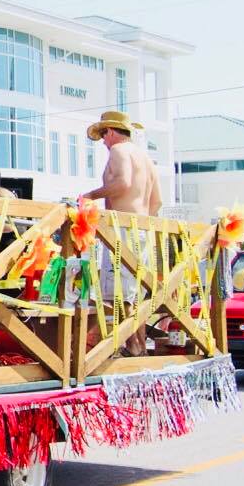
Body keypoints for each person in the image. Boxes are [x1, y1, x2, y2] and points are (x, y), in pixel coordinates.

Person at [82, 110, 162, 354]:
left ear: (111, 132)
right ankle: (136, 345)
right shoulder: (145, 158)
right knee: (134, 293)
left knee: (119, 294)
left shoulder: (119, 151)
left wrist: (90, 196)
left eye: (104, 136)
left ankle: (135, 346)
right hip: (143, 229)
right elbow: (157, 202)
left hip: (122, 229)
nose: (104, 142)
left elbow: (123, 183)